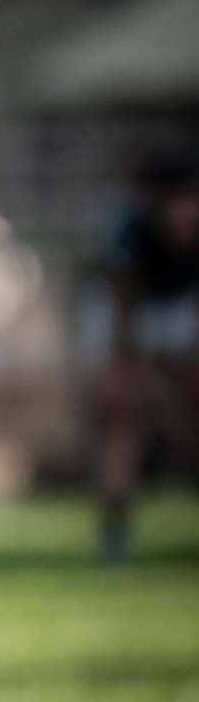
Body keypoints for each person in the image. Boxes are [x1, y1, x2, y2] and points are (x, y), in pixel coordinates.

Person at [97, 150, 199, 561]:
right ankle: (116, 528)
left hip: (182, 306)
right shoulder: (128, 233)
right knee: (124, 411)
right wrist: (128, 367)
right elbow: (125, 310)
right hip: (129, 310)